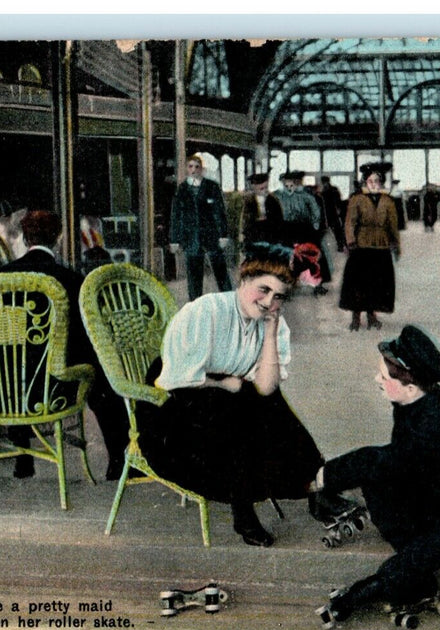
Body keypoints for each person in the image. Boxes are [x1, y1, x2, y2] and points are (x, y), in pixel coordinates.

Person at [142, 242, 354, 547]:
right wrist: (225, 382)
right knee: (235, 404)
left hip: (232, 405)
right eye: (263, 289)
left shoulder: (275, 325)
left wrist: (269, 333)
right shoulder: (206, 311)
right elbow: (175, 382)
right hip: (176, 408)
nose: (269, 301)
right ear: (243, 281)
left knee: (266, 401)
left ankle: (315, 491)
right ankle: (246, 511)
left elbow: (267, 387)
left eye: (278, 296)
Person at [312, 325, 440, 627]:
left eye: (383, 377)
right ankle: (415, 583)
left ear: (410, 386)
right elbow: (398, 466)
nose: (376, 380)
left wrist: (324, 477)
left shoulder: (437, 422)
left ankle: (361, 596)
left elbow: (385, 460)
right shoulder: (415, 404)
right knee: (377, 477)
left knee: (409, 553)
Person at [0, 210, 131, 482]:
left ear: (24, 238)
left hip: (6, 389)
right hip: (56, 387)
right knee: (100, 371)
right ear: (58, 239)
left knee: (15, 360)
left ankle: (23, 458)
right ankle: (118, 460)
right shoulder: (70, 280)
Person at [339, 162, 399, 331]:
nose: (374, 184)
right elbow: (350, 222)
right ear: (365, 182)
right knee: (358, 283)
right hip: (361, 246)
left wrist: (395, 243)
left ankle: (372, 316)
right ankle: (356, 317)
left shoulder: (387, 201)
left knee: (377, 283)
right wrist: (350, 242)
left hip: (381, 246)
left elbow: (392, 224)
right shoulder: (357, 199)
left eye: (377, 180)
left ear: (381, 182)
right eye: (370, 180)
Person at [168, 154, 233, 301]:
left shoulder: (212, 187)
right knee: (194, 273)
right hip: (191, 239)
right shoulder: (182, 189)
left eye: (197, 167)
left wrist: (223, 235)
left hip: (212, 237)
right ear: (186, 169)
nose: (193, 170)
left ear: (201, 169)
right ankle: (195, 303)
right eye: (190, 167)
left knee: (220, 269)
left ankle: (229, 299)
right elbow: (176, 216)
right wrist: (174, 240)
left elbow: (220, 212)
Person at [274, 171, 329, 295]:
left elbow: (315, 210)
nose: (289, 186)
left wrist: (315, 225)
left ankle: (317, 284)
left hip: (304, 228)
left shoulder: (305, 196)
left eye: (291, 183)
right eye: (286, 183)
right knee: (285, 256)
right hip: (285, 228)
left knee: (313, 255)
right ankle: (284, 284)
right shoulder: (277, 196)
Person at [239, 172, 284, 246]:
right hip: (254, 234)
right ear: (254, 188)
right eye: (261, 188)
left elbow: (279, 220)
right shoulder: (249, 201)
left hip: (270, 233)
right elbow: (245, 221)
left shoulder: (273, 200)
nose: (265, 191)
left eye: (266, 188)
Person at [319, 176, 346, 252]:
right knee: (332, 230)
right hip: (328, 213)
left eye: (324, 182)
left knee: (337, 230)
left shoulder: (332, 190)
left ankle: (340, 245)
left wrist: (339, 209)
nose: (324, 184)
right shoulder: (325, 191)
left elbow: (338, 201)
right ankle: (337, 245)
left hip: (333, 213)